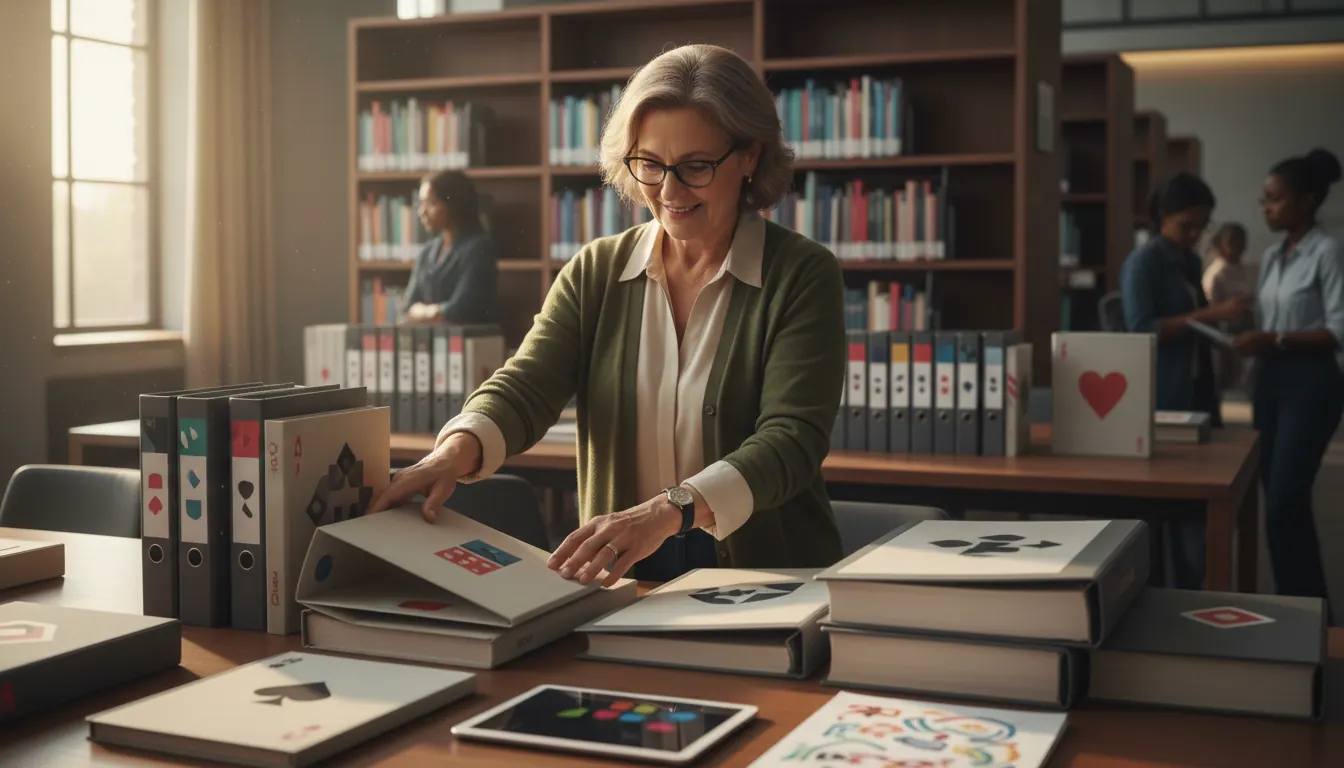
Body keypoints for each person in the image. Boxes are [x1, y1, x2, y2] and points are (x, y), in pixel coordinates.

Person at [368, 44, 847, 586]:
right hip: (623, 572)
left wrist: (667, 511)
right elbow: (527, 384)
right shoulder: (596, 270)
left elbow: (792, 439)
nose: (669, 191)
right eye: (650, 164)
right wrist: (453, 453)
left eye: (695, 167)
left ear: (750, 157)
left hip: (766, 581)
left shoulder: (801, 274)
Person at [1118, 172, 1250, 590]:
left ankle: (1191, 589)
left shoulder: (1190, 262)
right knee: (1170, 504)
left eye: (1202, 226)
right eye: (1187, 225)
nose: (1195, 235)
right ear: (1163, 216)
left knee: (1203, 502)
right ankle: (1170, 587)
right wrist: (1210, 315)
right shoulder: (1143, 263)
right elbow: (1142, 329)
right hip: (1164, 392)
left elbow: (1195, 322)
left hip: (1198, 386)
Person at [1230, 147, 1344, 605]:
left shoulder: (1328, 252)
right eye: (1264, 199)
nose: (1266, 208)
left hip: (1311, 382)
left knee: (1284, 503)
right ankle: (1299, 607)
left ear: (1307, 201)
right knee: (1280, 505)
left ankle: (1308, 610)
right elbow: (1269, 321)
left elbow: (1338, 329)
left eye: (1275, 199)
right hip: (1270, 380)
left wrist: (1275, 338)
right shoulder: (1274, 255)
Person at [400, 170, 499, 324]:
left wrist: (422, 313)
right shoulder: (426, 252)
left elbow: (458, 311)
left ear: (453, 204)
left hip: (468, 337)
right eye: (421, 203)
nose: (422, 212)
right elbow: (406, 309)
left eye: (431, 203)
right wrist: (436, 313)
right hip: (431, 337)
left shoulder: (479, 248)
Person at [1202, 222, 1254, 392]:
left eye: (1241, 241)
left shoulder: (1243, 269)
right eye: (1232, 241)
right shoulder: (1216, 273)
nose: (1237, 246)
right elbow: (1211, 309)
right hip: (1224, 335)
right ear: (1221, 243)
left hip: (1245, 331)